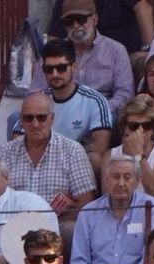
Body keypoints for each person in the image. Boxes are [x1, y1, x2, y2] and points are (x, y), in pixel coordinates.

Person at [0, 94, 97, 242]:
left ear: (52, 119)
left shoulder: (72, 150)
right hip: (13, 228)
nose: (35, 124)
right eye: (28, 118)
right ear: (21, 120)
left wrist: (48, 224)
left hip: (55, 229)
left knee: (72, 229)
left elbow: (85, 204)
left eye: (41, 118)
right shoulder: (5, 152)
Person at [72, 156, 154, 264]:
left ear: (137, 181)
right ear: (106, 180)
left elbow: (149, 258)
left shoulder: (151, 208)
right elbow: (79, 263)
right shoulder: (88, 212)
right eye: (115, 177)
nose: (121, 183)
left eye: (127, 177)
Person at [36, 0, 135, 113]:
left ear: (95, 19)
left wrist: (96, 110)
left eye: (81, 19)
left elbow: (125, 95)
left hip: (103, 112)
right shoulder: (52, 52)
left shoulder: (116, 51)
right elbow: (36, 93)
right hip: (61, 112)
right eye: (69, 21)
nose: (75, 25)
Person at [28, 40, 114, 168]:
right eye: (49, 69)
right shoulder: (37, 101)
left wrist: (64, 159)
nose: (55, 74)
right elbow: (18, 135)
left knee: (95, 159)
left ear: (74, 67)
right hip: (42, 163)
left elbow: (100, 146)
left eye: (61, 68)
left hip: (77, 164)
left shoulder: (95, 100)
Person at [108, 95, 154, 206]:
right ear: (124, 128)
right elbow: (109, 198)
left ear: (152, 130)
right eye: (134, 126)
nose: (140, 131)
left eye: (147, 126)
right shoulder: (110, 155)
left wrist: (138, 154)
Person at [46, 0, 150, 62]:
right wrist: (51, 58)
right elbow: (54, 35)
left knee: (144, 63)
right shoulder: (66, 2)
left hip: (128, 53)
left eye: (81, 19)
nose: (75, 24)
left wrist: (148, 50)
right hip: (80, 57)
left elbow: (143, 8)